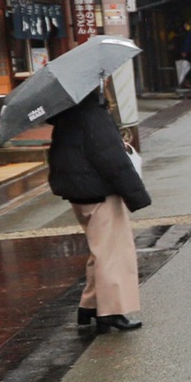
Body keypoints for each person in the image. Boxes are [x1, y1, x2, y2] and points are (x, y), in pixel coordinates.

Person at [47, 87, 151, 332]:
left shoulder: (68, 114)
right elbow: (112, 160)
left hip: (80, 191)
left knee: (101, 250)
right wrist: (136, 196)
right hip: (99, 191)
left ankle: (90, 305)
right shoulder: (93, 114)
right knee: (112, 252)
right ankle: (110, 311)